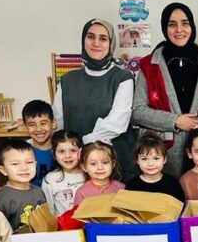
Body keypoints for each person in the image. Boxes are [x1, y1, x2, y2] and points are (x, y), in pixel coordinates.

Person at [132, 2, 198, 178]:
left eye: (185, 23)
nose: (179, 30)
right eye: (172, 24)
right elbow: (137, 111)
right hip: (161, 158)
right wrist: (175, 121)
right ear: (164, 28)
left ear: (192, 26)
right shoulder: (149, 65)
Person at [53, 18, 135, 181]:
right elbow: (58, 121)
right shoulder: (67, 80)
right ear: (83, 40)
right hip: (75, 161)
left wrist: (80, 145)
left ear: (110, 44)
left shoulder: (123, 78)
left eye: (103, 39)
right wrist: (67, 151)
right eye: (91, 37)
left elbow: (117, 122)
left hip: (110, 163)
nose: (96, 43)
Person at [125, 132, 186, 202]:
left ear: (164, 159)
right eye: (144, 159)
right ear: (137, 160)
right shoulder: (132, 185)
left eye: (156, 158)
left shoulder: (173, 184)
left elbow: (181, 206)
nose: (150, 164)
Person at [41, 130, 86, 216]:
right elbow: (49, 212)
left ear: (81, 151)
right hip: (62, 224)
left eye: (73, 150)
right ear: (54, 154)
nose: (67, 156)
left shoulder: (90, 174)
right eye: (61, 151)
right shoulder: (50, 179)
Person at [74, 141, 125, 205]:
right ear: (84, 167)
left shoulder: (121, 188)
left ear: (113, 164)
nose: (100, 167)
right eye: (93, 164)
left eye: (105, 162)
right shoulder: (81, 192)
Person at [22, 100, 56, 186]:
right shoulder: (21, 151)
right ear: (25, 127)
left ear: (53, 123)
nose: (38, 129)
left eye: (43, 123)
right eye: (32, 125)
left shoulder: (62, 148)